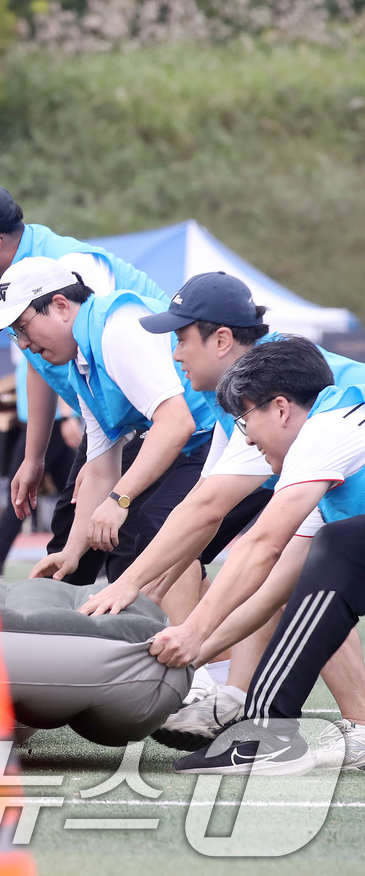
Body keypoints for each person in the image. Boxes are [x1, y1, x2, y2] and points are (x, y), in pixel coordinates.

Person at [79, 276, 365, 747]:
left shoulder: (280, 404)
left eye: (181, 338)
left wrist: (133, 590)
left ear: (223, 340)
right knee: (302, 570)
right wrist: (185, 652)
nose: (174, 354)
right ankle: (242, 698)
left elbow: (210, 513)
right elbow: (260, 570)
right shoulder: (248, 400)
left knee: (311, 565)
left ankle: (284, 711)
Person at [0, 182, 170, 586]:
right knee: (72, 542)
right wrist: (33, 457)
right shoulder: (9, 281)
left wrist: (82, 425)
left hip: (155, 413)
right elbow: (40, 364)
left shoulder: (69, 267)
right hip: (109, 417)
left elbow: (104, 348)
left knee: (140, 539)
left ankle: (186, 640)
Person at [153, 339, 365, 774]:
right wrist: (188, 658)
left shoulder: (325, 431)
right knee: (330, 554)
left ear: (282, 408)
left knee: (337, 549)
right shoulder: (330, 456)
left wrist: (192, 630)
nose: (245, 436)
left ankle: (268, 730)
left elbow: (261, 543)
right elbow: (269, 592)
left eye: (245, 418)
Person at [0, 259, 220, 585]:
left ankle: (186, 636)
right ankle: (194, 632)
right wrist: (72, 552)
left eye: (23, 327)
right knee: (156, 531)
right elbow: (100, 468)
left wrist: (119, 499)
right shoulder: (83, 361)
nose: (23, 344)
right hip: (209, 435)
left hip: (236, 427)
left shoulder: (116, 330)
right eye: (15, 334)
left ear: (62, 306)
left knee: (159, 527)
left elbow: (176, 423)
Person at [0, 353, 82, 579]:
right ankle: (97, 557)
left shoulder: (39, 331)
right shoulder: (25, 335)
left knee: (22, 491)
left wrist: (66, 416)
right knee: (74, 493)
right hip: (39, 420)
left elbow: (59, 363)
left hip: (48, 422)